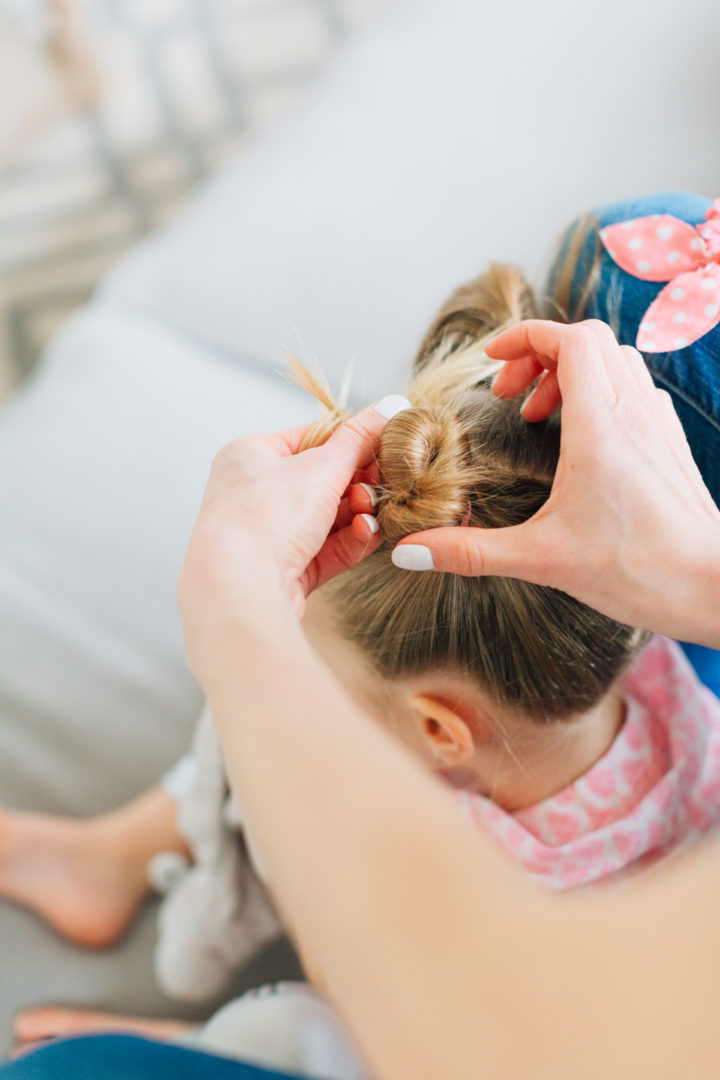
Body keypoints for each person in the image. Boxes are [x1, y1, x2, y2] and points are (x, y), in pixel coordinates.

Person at [4, 193, 720, 1079]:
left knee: (314, 1031)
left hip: (453, 1033)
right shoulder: (667, 671)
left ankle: (201, 1041)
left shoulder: (457, 881)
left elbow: (422, 1020)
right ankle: (113, 855)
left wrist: (236, 614)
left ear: (435, 732)